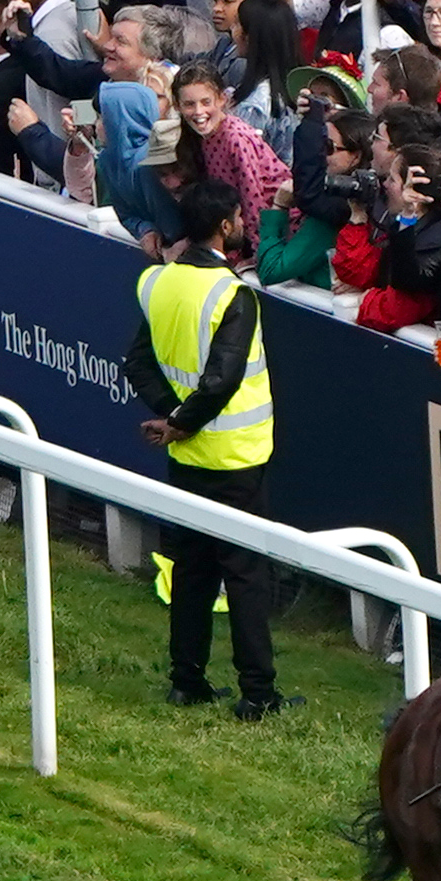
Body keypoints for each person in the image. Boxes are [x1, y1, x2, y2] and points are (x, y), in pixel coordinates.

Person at [127, 245, 286, 716]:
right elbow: (222, 379)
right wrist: (182, 422)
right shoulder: (234, 294)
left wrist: (172, 418)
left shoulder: (156, 282)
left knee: (192, 568)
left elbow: (137, 361)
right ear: (225, 225)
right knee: (245, 576)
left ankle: (186, 681)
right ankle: (257, 694)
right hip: (234, 457)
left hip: (186, 453)